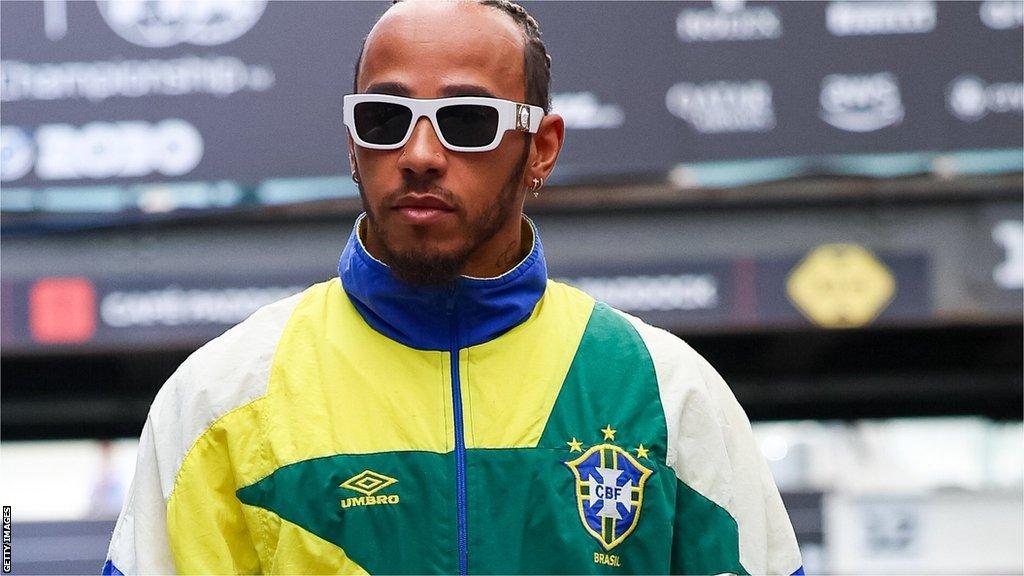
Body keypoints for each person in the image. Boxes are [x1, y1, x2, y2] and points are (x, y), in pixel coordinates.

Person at [103, 1, 803, 574]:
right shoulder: (218, 398)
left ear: (543, 149)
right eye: (386, 118)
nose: (419, 155)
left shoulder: (666, 393)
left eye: (468, 121)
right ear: (352, 142)